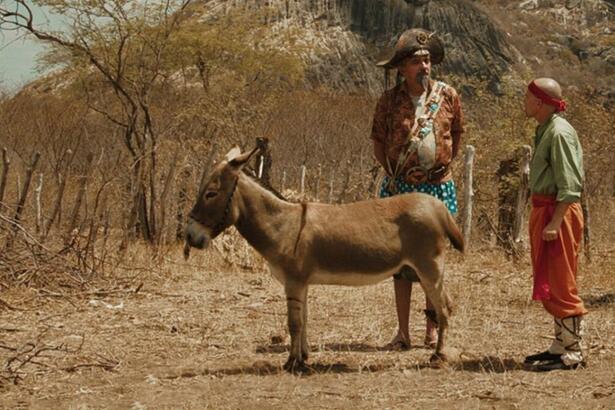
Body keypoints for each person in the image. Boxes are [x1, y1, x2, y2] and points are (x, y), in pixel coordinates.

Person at [370, 28, 464, 350]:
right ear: (401, 68)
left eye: (426, 61)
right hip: (399, 190)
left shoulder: (448, 96)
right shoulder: (389, 101)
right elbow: (378, 143)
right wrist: (394, 173)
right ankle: (402, 333)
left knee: (431, 260)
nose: (423, 67)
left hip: (438, 188)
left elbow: (457, 135)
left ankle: (432, 331)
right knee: (400, 262)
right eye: (415, 61)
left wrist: (439, 164)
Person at [522, 77, 587, 371]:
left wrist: (556, 222)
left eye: (527, 97)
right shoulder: (545, 129)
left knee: (561, 278)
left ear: (540, 102)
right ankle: (561, 343)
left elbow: (570, 185)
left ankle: (573, 349)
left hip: (556, 213)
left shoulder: (559, 133)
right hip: (544, 210)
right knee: (549, 276)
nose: (524, 102)